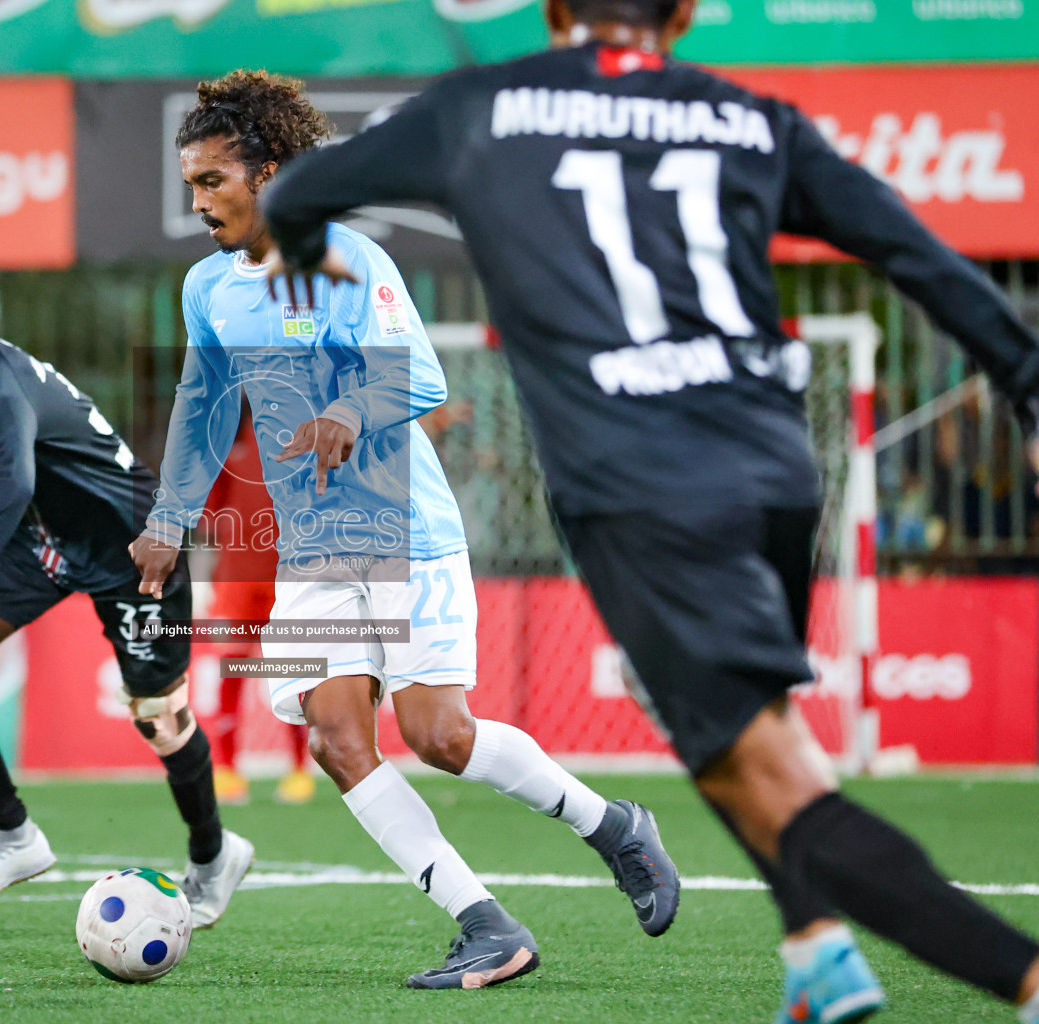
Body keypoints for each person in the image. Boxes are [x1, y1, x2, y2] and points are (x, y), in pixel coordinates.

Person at [261, 1, 1039, 1020]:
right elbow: (918, 254)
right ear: (681, 13)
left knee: (765, 771)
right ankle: (816, 950)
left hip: (642, 486)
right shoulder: (753, 118)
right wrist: (1026, 384)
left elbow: (307, 188)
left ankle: (1018, 976)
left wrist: (300, 240)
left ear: (551, 12)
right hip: (774, 469)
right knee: (751, 733)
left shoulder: (484, 109)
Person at [130, 70, 679, 991]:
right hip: (312, 549)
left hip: (399, 528)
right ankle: (486, 925)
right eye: (190, 184)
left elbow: (421, 377)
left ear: (268, 174)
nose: (198, 203)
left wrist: (347, 412)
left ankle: (613, 825)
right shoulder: (208, 288)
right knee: (336, 735)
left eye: (212, 181)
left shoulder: (349, 259)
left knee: (440, 736)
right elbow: (200, 405)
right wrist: (168, 518)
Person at [0, 261, 252, 923]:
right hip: (48, 543)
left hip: (131, 546)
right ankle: (14, 838)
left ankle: (213, 854)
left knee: (160, 717)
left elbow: (8, 488)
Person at [199, 405, 315, 806]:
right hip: (236, 582)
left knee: (293, 673)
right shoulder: (230, 455)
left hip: (287, 580)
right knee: (232, 670)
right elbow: (210, 518)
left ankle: (301, 769)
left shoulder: (305, 449)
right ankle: (226, 769)